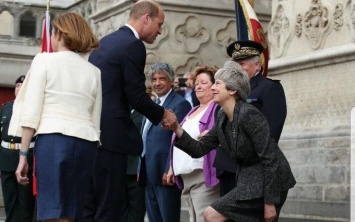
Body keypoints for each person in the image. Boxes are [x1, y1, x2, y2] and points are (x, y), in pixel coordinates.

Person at [167, 61, 296, 222]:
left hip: (268, 181)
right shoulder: (222, 116)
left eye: (218, 84)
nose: (212, 88)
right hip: (248, 180)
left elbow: (270, 158)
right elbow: (199, 149)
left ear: (233, 90)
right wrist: (176, 127)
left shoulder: (249, 115)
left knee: (211, 214)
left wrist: (270, 202)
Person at [82, 1, 176, 221]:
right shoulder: (133, 45)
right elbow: (136, 95)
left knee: (90, 207)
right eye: (159, 24)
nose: (161, 31)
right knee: (109, 208)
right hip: (113, 140)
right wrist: (164, 115)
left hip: (93, 134)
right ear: (146, 18)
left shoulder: (105, 42)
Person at [8, 12, 101, 222]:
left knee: (50, 211)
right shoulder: (94, 71)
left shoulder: (44, 60)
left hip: (53, 140)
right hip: (86, 144)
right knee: (71, 212)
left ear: (58, 33)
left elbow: (31, 112)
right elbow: (96, 120)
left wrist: (23, 155)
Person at [214, 40, 288, 196]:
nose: (238, 70)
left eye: (243, 64)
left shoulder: (269, 87)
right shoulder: (227, 89)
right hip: (226, 166)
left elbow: (271, 133)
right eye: (236, 66)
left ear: (257, 65)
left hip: (250, 168)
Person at [139, 63, 191, 222]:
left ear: (171, 81)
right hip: (148, 170)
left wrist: (170, 167)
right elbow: (145, 135)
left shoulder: (180, 104)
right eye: (154, 79)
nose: (157, 83)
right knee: (154, 217)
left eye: (162, 78)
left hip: (165, 171)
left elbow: (177, 138)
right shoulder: (152, 105)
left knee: (168, 217)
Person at [168, 65, 220, 222]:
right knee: (193, 218)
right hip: (185, 175)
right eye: (196, 82)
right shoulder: (194, 109)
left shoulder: (216, 108)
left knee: (204, 218)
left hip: (203, 173)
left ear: (215, 86)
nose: (198, 86)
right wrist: (172, 166)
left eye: (203, 82)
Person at [0, 75, 35, 222]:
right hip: (6, 159)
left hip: (26, 160)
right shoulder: (6, 108)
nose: (19, 88)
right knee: (10, 202)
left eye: (22, 85)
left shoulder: (33, 110)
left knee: (25, 204)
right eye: (17, 86)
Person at [121, 108, 146, 222]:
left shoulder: (144, 111)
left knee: (136, 211)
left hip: (136, 169)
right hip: (118, 168)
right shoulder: (119, 109)